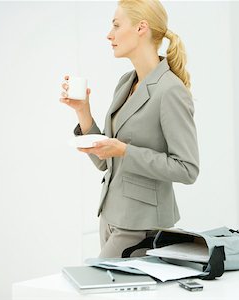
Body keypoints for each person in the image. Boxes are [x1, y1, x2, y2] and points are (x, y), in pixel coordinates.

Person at [59, 0, 199, 258]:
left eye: (116, 25)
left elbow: (187, 169)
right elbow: (105, 162)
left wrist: (125, 151)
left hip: (142, 227)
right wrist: (83, 111)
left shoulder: (170, 91)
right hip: (111, 218)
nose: (109, 34)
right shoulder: (127, 82)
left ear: (141, 28)